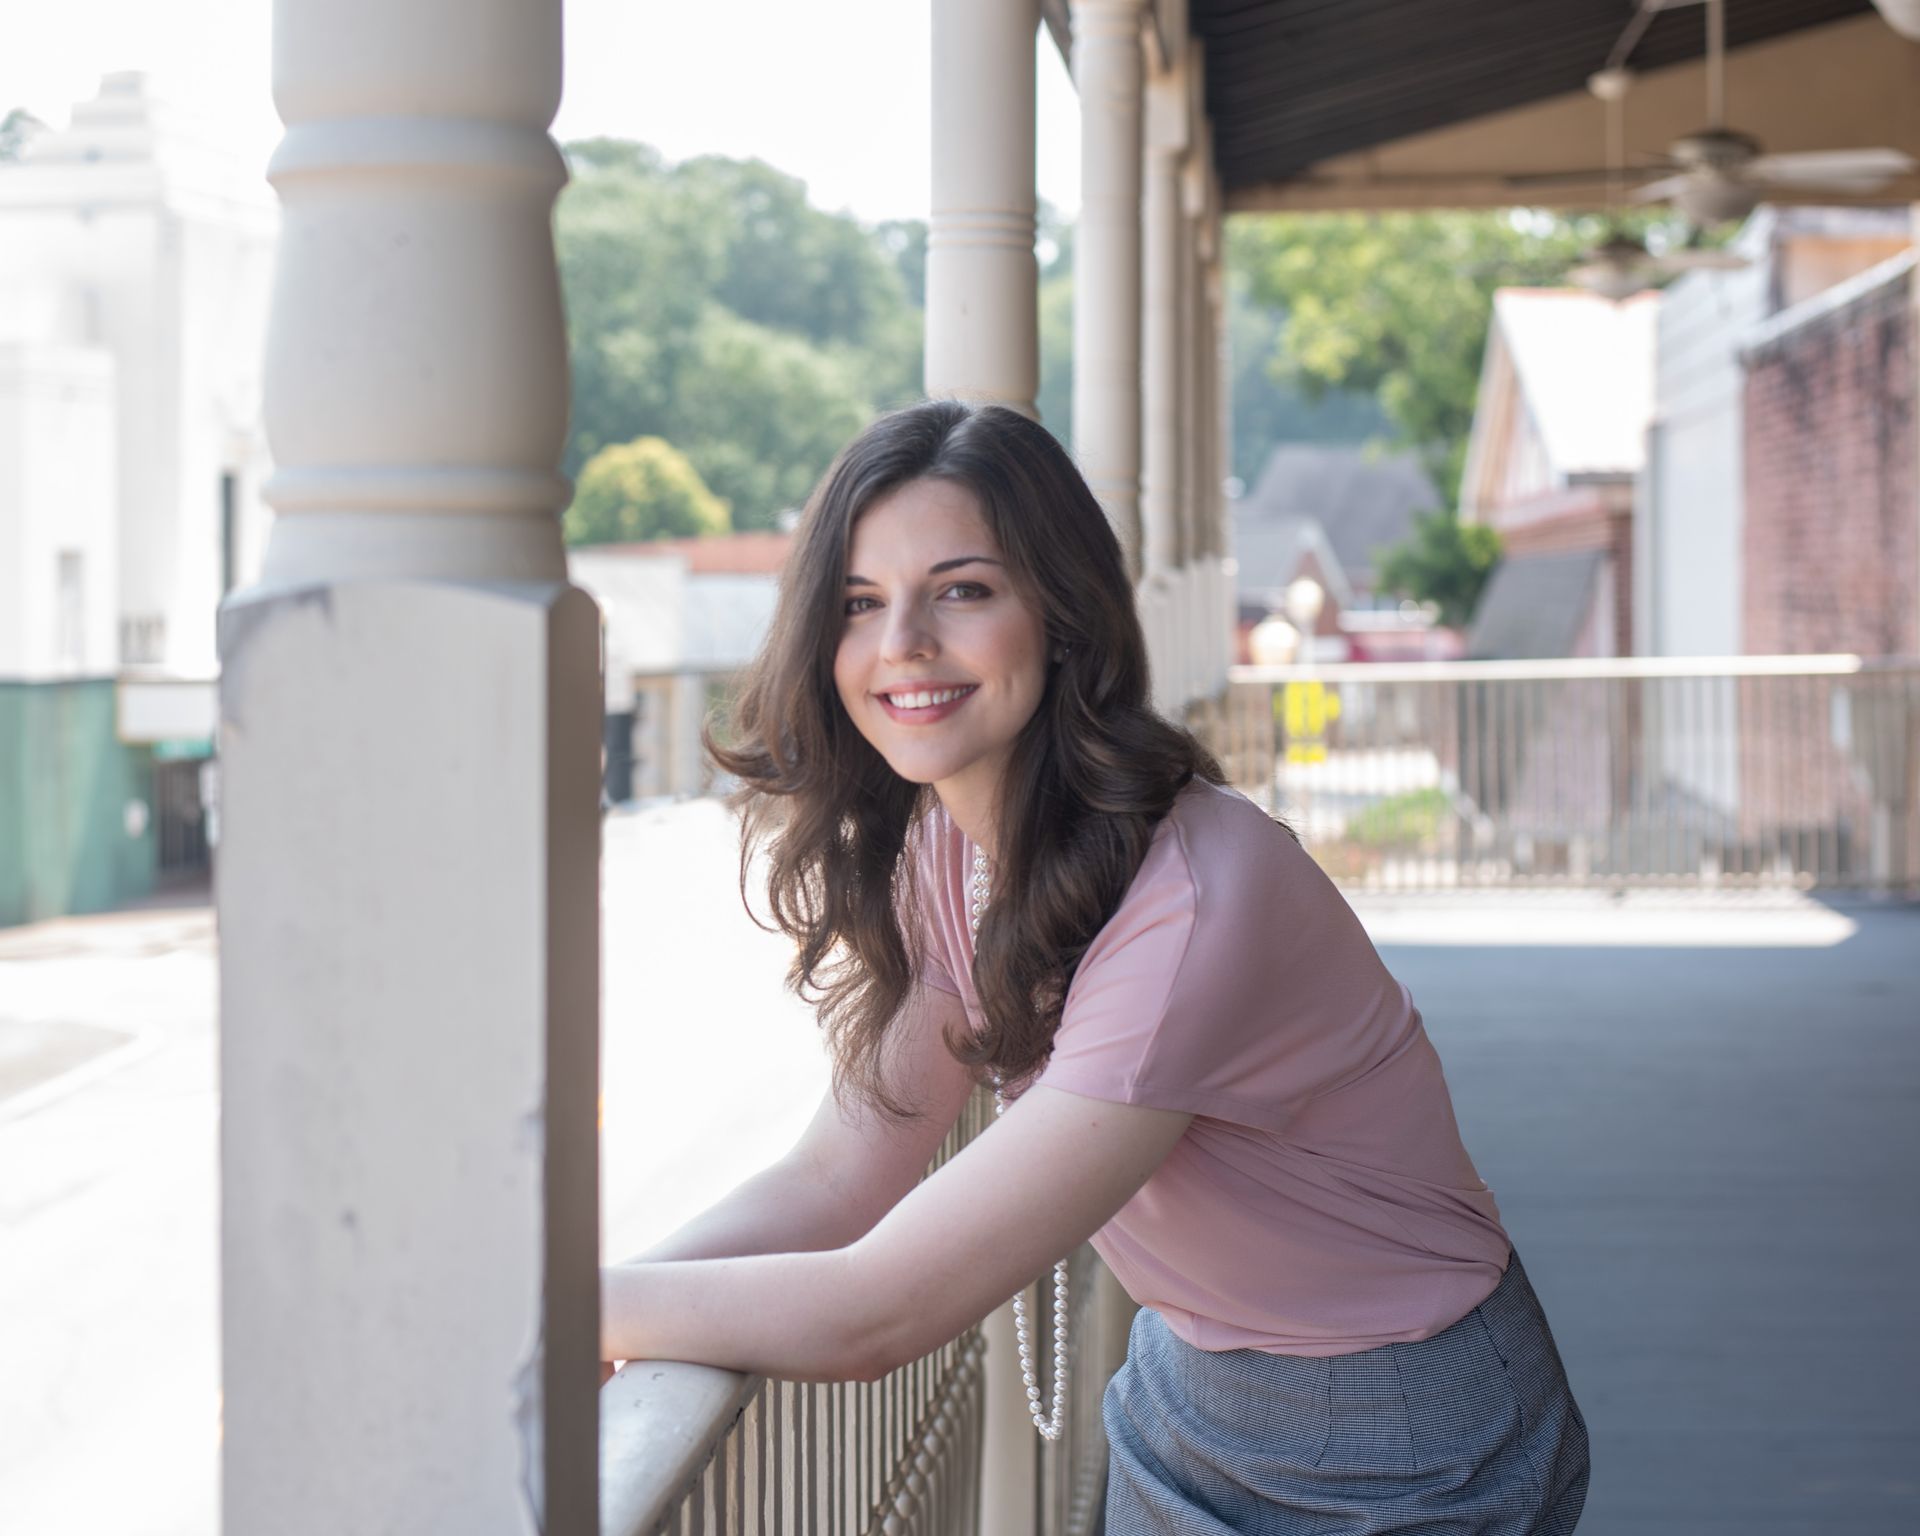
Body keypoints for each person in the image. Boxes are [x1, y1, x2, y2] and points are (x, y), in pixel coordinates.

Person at [600, 399, 1590, 1532]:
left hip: (1402, 1430)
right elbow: (837, 1177)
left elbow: (875, 1313)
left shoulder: (1193, 900)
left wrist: (562, 1320)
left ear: (1062, 615)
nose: (903, 644)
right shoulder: (948, 848)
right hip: (1188, 1386)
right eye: (860, 604)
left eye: (962, 590)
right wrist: (606, 1308)